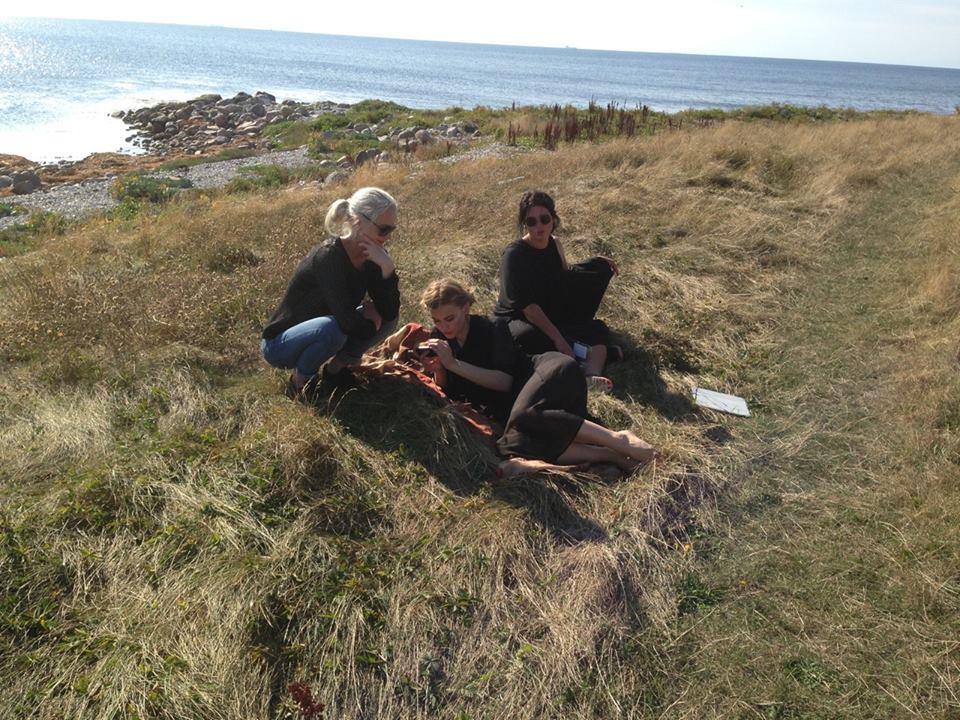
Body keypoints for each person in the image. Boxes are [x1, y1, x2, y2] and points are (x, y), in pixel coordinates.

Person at [420, 279, 656, 473]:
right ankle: (609, 455)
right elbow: (448, 391)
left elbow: (504, 382)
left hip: (548, 372)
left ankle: (618, 440)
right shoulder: (439, 339)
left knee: (526, 415)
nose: (444, 327)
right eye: (437, 321)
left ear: (465, 308)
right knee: (512, 444)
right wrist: (439, 369)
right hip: (517, 409)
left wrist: (453, 364)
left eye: (449, 318)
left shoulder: (493, 327)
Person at [261, 186, 400, 398]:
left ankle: (336, 370)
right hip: (280, 344)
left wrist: (387, 270)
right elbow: (346, 322)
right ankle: (301, 382)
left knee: (387, 318)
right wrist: (371, 324)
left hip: (327, 329)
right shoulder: (328, 257)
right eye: (383, 229)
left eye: (392, 230)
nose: (388, 237)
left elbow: (390, 312)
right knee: (333, 329)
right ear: (358, 221)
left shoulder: (373, 256)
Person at [494, 190, 620, 389]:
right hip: (518, 317)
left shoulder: (555, 243)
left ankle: (591, 374)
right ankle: (585, 355)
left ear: (553, 219)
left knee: (596, 328)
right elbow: (529, 308)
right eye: (531, 221)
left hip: (549, 310)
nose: (539, 226)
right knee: (530, 337)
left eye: (544, 219)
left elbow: (565, 277)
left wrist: (597, 264)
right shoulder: (514, 254)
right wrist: (559, 339)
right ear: (525, 224)